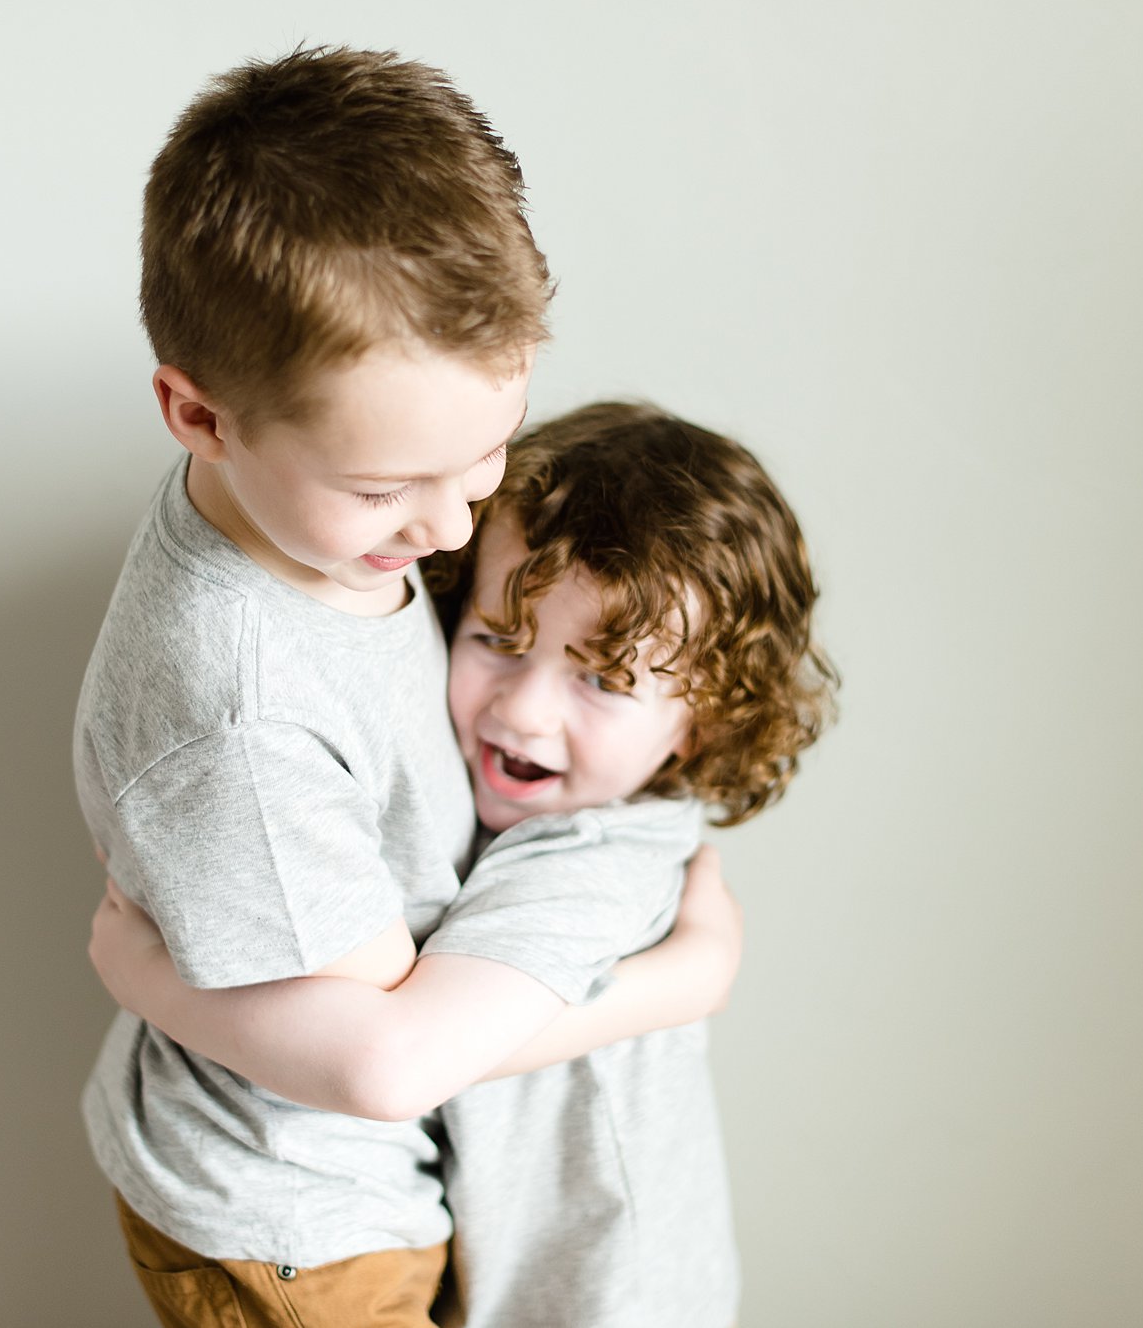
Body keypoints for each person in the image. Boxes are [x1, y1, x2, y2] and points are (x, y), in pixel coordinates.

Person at [76, 47, 743, 1328]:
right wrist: (681, 977)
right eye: (387, 488)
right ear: (198, 415)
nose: (448, 530)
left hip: (360, 1185)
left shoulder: (328, 534)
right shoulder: (240, 711)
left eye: (484, 455)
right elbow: (385, 1057)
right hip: (297, 1216)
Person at [91, 401, 839, 1328]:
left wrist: (152, 979)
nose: (524, 711)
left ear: (705, 724)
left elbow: (408, 1056)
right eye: (500, 639)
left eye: (603, 681)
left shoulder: (591, 865)